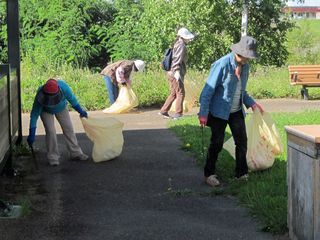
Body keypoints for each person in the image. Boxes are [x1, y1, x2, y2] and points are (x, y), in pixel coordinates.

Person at [198, 36, 264, 187]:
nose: (248, 60)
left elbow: (241, 91)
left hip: (236, 111)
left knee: (242, 142)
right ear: (240, 53)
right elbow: (207, 91)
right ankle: (209, 174)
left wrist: (252, 104)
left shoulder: (246, 67)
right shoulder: (222, 64)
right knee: (217, 143)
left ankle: (241, 174)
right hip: (219, 111)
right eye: (247, 57)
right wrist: (203, 113)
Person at [27, 78, 89, 166]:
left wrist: (80, 111)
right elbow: (34, 115)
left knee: (68, 128)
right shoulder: (39, 95)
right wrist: (32, 132)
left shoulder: (64, 88)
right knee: (50, 132)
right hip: (46, 111)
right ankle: (53, 157)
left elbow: (73, 100)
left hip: (61, 108)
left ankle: (76, 153)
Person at [158, 27, 195, 120]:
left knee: (174, 93)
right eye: (187, 37)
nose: (189, 39)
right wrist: (177, 71)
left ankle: (163, 111)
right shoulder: (181, 45)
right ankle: (178, 114)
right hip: (175, 72)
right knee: (180, 93)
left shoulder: (177, 43)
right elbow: (176, 59)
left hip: (171, 72)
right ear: (183, 37)